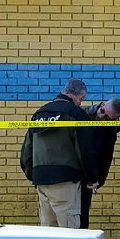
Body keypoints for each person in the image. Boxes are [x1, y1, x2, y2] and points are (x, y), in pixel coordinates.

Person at [20, 79, 99, 229]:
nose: (80, 103)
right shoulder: (75, 113)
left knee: (49, 231)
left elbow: (27, 150)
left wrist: (33, 174)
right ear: (78, 96)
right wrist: (92, 177)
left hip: (41, 180)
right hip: (65, 181)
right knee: (69, 231)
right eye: (81, 99)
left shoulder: (40, 113)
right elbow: (85, 149)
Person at [80, 98, 120, 229]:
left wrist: (99, 180)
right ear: (102, 104)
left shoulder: (110, 130)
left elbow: (106, 156)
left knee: (82, 217)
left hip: (88, 179)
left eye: (107, 118)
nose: (102, 116)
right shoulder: (82, 114)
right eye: (102, 111)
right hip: (72, 173)